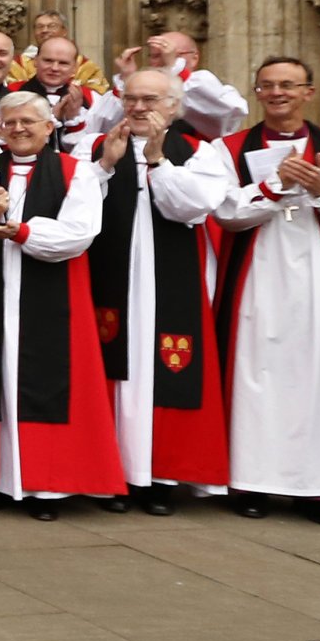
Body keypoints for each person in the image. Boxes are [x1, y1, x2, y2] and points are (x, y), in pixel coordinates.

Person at [211, 56, 320, 524]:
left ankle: (317, 488)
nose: (278, 93)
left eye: (289, 85)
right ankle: (250, 484)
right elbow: (224, 212)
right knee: (255, 375)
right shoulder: (227, 147)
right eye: (268, 86)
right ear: (256, 93)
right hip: (257, 277)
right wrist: (273, 186)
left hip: (319, 279)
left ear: (308, 92)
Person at [0, 92, 121, 519]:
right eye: (10, 122)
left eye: (28, 122)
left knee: (45, 382)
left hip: (51, 292)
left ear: (48, 127)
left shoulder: (76, 173)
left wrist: (21, 232)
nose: (18, 129)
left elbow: (80, 233)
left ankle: (47, 485)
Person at [85, 69, 233, 512]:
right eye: (131, 98)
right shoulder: (98, 144)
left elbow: (191, 208)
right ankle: (115, 474)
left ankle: (162, 478)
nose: (138, 107)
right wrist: (105, 166)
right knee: (116, 368)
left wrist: (158, 162)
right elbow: (73, 198)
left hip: (169, 279)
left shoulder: (196, 151)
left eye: (150, 99)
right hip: (112, 274)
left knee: (166, 369)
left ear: (174, 105)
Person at [122, 32, 248, 140]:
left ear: (194, 58)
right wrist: (127, 79)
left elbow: (230, 114)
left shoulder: (202, 84)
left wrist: (176, 70)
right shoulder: (139, 91)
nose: (163, 61)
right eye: (156, 56)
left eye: (175, 55)